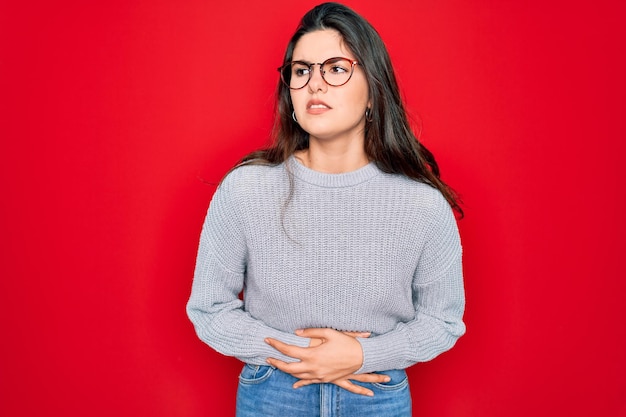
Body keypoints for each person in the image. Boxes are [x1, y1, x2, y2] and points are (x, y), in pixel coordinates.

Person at [186, 2, 466, 416]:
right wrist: (306, 354)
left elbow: (443, 321)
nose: (315, 84)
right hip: (273, 391)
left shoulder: (422, 204)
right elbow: (209, 308)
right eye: (302, 71)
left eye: (335, 69)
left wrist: (363, 354)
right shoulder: (247, 188)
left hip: (377, 396)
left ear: (373, 89)